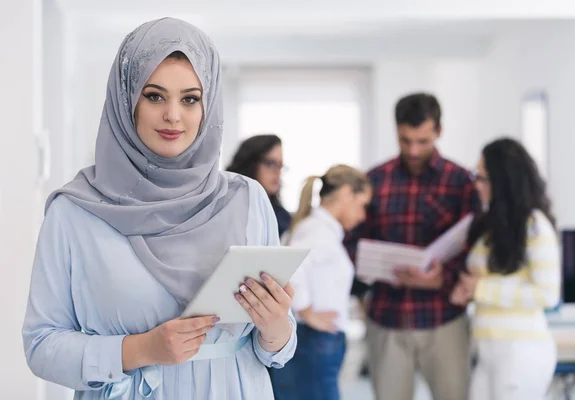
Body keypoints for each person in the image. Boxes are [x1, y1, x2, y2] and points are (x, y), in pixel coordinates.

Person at [22, 18, 297, 400]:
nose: (173, 115)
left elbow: (278, 349)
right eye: (154, 96)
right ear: (126, 100)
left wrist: (275, 324)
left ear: (208, 105)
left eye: (190, 98)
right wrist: (141, 350)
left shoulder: (247, 199)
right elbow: (40, 346)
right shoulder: (74, 212)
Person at [344, 93, 480, 400]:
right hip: (387, 319)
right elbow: (351, 242)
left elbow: (475, 250)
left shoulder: (462, 182)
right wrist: (372, 266)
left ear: (438, 132)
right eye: (405, 140)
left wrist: (441, 278)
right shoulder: (375, 180)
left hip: (444, 320)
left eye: (422, 141)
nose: (413, 150)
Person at [451, 138, 560, 400]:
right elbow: (488, 279)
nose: (476, 184)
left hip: (520, 352)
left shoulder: (535, 225)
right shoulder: (489, 224)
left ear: (503, 181)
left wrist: (481, 288)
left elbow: (547, 294)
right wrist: (466, 289)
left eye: (483, 178)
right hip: (488, 351)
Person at [270, 165, 372, 400]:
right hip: (313, 342)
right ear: (346, 194)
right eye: (362, 205)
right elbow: (289, 267)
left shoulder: (315, 229)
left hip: (316, 342)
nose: (362, 215)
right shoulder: (316, 231)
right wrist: (306, 310)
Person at [227, 134, 291, 237]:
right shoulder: (226, 207)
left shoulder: (282, 217)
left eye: (280, 166)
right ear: (250, 163)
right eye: (271, 163)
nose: (278, 173)